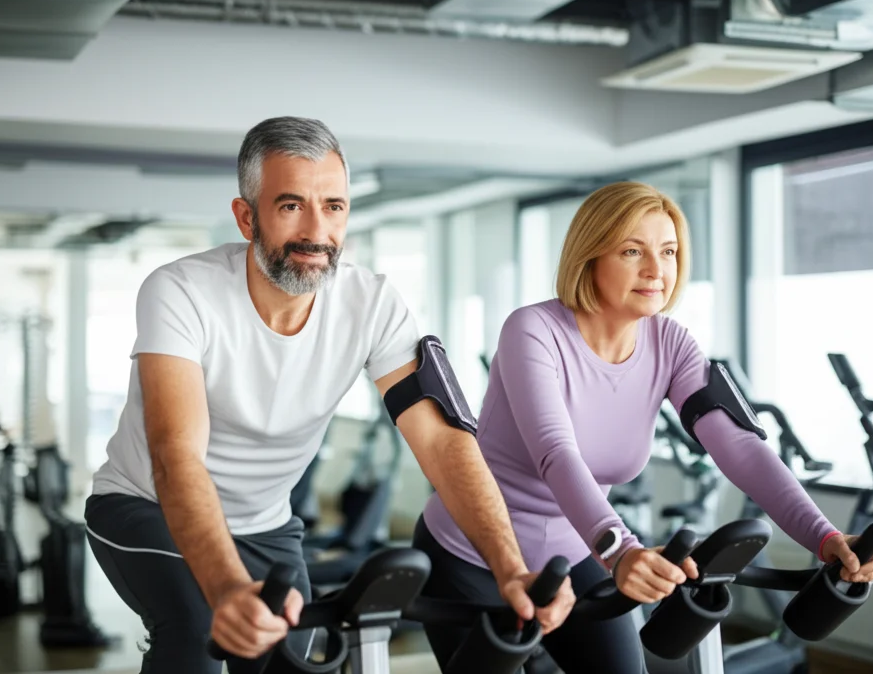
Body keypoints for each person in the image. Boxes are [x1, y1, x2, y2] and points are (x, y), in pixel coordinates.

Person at [83, 116, 575, 674]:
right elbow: (176, 454)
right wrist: (225, 587)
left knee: (291, 664)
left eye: (334, 207)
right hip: (145, 510)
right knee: (198, 630)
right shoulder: (180, 292)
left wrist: (511, 570)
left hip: (266, 525)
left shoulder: (373, 304)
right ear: (247, 217)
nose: (317, 232)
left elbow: (443, 443)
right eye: (291, 206)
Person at [414, 181, 873, 673]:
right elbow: (557, 453)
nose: (656, 269)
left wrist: (825, 536)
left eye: (668, 251)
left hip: (576, 554)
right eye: (632, 250)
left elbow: (740, 449)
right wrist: (622, 551)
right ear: (590, 255)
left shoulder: (672, 343)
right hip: (470, 555)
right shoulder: (532, 330)